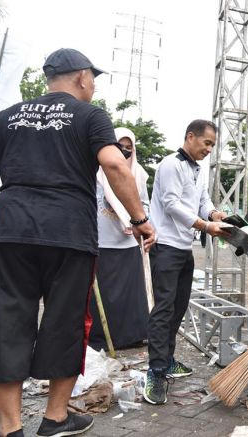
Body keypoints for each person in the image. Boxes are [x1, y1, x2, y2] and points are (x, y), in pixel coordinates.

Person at [0, 48, 156, 437]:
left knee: (6, 322)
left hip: (11, 231)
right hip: (68, 233)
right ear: (82, 77)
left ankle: (11, 428)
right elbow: (116, 165)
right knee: (65, 322)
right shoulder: (90, 115)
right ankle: (55, 419)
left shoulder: (8, 117)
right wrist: (141, 220)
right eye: (93, 79)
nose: (94, 86)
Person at [145, 119, 228, 405]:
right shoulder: (170, 164)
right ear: (190, 136)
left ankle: (167, 360)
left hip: (184, 248)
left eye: (212, 145)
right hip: (165, 246)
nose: (209, 150)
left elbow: (201, 200)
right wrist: (205, 226)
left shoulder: (197, 169)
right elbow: (170, 203)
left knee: (178, 308)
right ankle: (155, 371)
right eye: (206, 143)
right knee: (164, 308)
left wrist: (215, 214)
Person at [89, 127, 151, 350]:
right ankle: (99, 338)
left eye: (129, 147)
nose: (124, 151)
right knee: (102, 294)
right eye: (119, 146)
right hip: (100, 240)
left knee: (128, 294)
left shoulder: (139, 174)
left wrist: (139, 220)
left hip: (127, 241)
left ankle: (129, 337)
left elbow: (143, 204)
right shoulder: (96, 172)